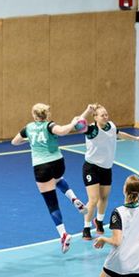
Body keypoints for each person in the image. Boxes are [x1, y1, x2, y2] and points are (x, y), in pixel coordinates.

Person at [12, 102, 96, 252]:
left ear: (34, 115)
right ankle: (74, 199)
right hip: (58, 162)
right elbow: (64, 130)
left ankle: (63, 234)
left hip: (41, 166)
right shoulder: (50, 126)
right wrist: (77, 119)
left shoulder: (28, 128)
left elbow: (15, 142)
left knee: (52, 203)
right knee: (57, 180)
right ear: (47, 115)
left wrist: (30, 139)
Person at [79, 105, 139, 240]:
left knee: (104, 198)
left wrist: (135, 138)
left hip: (106, 168)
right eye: (102, 115)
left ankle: (99, 221)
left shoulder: (111, 126)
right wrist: (87, 111)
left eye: (106, 114)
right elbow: (78, 125)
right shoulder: (92, 130)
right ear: (96, 117)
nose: (105, 117)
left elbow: (119, 134)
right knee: (93, 199)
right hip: (91, 167)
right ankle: (86, 227)